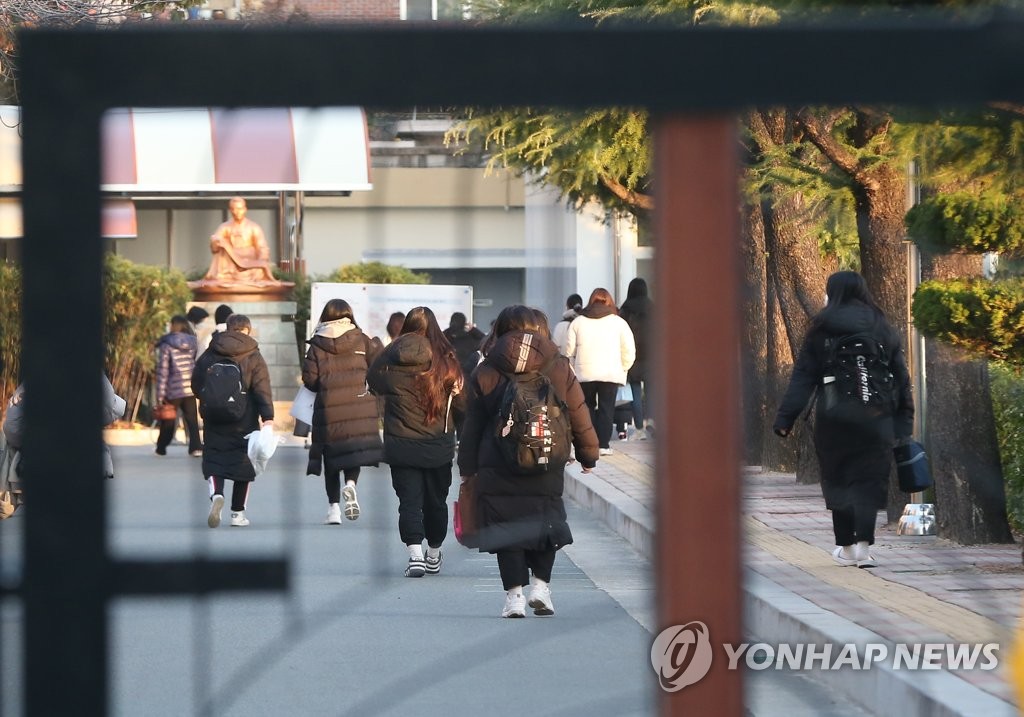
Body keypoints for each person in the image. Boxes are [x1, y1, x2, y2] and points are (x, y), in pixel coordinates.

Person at [458, 305, 599, 618]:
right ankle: (541, 587)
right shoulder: (559, 366)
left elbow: (473, 426)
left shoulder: (487, 369)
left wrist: (467, 469)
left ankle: (514, 597)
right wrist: (589, 454)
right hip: (548, 457)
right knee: (545, 519)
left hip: (498, 462)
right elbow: (578, 414)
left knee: (507, 527)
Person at [773, 271, 914, 569]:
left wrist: (786, 418)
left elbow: (803, 377)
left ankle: (846, 548)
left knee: (838, 477)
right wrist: (904, 421)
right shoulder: (882, 326)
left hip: (833, 417)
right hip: (877, 418)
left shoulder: (822, 328)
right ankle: (864, 547)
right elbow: (901, 378)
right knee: (868, 480)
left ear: (831, 292)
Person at [367, 306, 463, 578]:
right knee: (437, 501)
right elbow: (463, 404)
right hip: (438, 445)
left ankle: (415, 556)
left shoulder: (391, 362)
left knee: (409, 501)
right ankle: (433, 553)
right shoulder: (446, 362)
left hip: (401, 444)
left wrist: (391, 347)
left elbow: (372, 379)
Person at [302, 299, 384, 525]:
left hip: (329, 408)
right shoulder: (362, 339)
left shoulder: (317, 344)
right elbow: (376, 371)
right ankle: (351, 485)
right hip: (359, 406)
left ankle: (334, 509)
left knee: (331, 458)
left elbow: (310, 380)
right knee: (352, 451)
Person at [192, 314, 275, 528]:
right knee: (242, 466)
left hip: (213, 418)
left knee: (214, 461)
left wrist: (209, 397)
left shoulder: (211, 351)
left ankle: (217, 495)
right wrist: (268, 418)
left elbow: (196, 384)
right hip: (244, 419)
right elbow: (262, 388)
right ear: (248, 330)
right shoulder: (254, 355)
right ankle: (238, 514)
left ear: (228, 328)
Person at [564, 288, 636, 456]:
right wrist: (623, 367)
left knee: (586, 406)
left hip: (584, 372)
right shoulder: (619, 323)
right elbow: (629, 350)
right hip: (610, 372)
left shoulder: (578, 322)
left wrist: (574, 368)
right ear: (609, 301)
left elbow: (568, 351)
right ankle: (603, 445)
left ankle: (589, 444)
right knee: (606, 408)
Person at [154, 315, 203, 457]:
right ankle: (195, 448)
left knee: (168, 419)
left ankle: (161, 447)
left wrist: (160, 394)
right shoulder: (193, 342)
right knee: (192, 420)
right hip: (190, 387)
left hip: (173, 389)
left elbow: (163, 370)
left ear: (174, 325)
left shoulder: (167, 344)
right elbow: (194, 364)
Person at [203, 197, 276, 284]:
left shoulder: (254, 227)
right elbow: (215, 245)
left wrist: (260, 260)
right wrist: (215, 241)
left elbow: (262, 248)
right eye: (233, 209)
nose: (236, 212)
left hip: (249, 261)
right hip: (231, 261)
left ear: (245, 209)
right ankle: (224, 276)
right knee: (222, 250)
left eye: (239, 209)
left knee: (259, 269)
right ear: (230, 210)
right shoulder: (225, 227)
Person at [618, 278, 654, 441]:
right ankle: (651, 422)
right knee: (652, 392)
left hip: (633, 357)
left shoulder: (625, 310)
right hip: (651, 357)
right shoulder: (653, 308)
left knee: (635, 393)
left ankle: (639, 428)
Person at [442, 312, 485, 438]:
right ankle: (461, 442)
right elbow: (484, 340)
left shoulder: (447, 338)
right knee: (463, 418)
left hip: (447, 382)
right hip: (466, 384)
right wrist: (473, 329)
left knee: (448, 416)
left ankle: (449, 441)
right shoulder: (471, 339)